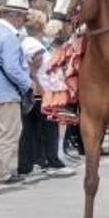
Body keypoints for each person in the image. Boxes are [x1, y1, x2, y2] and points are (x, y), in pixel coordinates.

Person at [0, 0, 33, 184]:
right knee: (7, 134)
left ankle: (6, 171)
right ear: (16, 16)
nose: (24, 21)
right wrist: (27, 83)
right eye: (24, 17)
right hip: (5, 92)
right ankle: (3, 174)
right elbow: (12, 68)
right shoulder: (8, 36)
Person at [19, 10, 74, 177]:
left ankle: (37, 161)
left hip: (42, 89)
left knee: (35, 128)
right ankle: (50, 161)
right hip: (41, 90)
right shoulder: (34, 46)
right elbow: (33, 70)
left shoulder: (32, 43)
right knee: (46, 127)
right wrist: (41, 89)